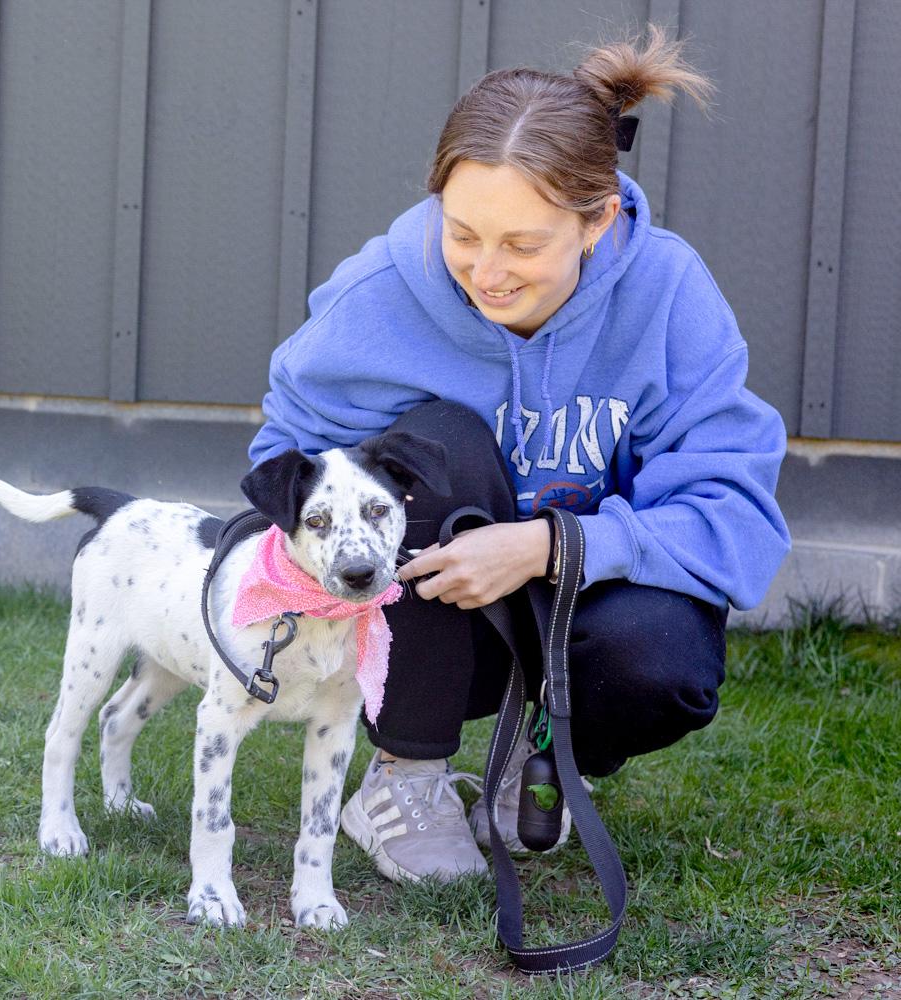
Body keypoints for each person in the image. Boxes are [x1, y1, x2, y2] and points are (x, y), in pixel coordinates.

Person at [248, 27, 791, 882]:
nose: (485, 271)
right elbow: (283, 463)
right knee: (441, 444)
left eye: (523, 245)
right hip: (421, 619)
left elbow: (734, 512)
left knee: (664, 663)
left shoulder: (669, 294)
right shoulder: (380, 294)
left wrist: (548, 546)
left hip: (577, 608)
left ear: (598, 219)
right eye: (462, 233)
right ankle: (407, 777)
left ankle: (534, 755)